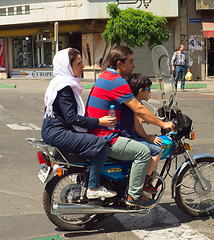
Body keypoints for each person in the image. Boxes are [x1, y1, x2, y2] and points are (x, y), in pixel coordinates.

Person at [85, 46, 174, 209]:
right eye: (131, 61)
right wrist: (162, 124)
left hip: (97, 133)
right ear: (120, 63)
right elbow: (139, 109)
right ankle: (134, 195)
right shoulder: (116, 81)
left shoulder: (105, 76)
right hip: (106, 138)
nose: (134, 65)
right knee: (144, 152)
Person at [41, 48, 117, 200]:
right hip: (57, 132)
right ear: (68, 67)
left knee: (89, 140)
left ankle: (84, 178)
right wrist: (99, 122)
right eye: (79, 63)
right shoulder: (64, 88)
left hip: (53, 130)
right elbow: (72, 118)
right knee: (101, 144)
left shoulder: (60, 83)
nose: (83, 67)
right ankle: (93, 187)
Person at [121, 73, 164, 194]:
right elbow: (138, 128)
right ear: (141, 91)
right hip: (128, 137)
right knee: (157, 150)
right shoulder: (137, 104)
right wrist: (149, 138)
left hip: (125, 134)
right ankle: (146, 180)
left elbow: (137, 120)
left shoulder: (131, 101)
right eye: (148, 89)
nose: (149, 92)